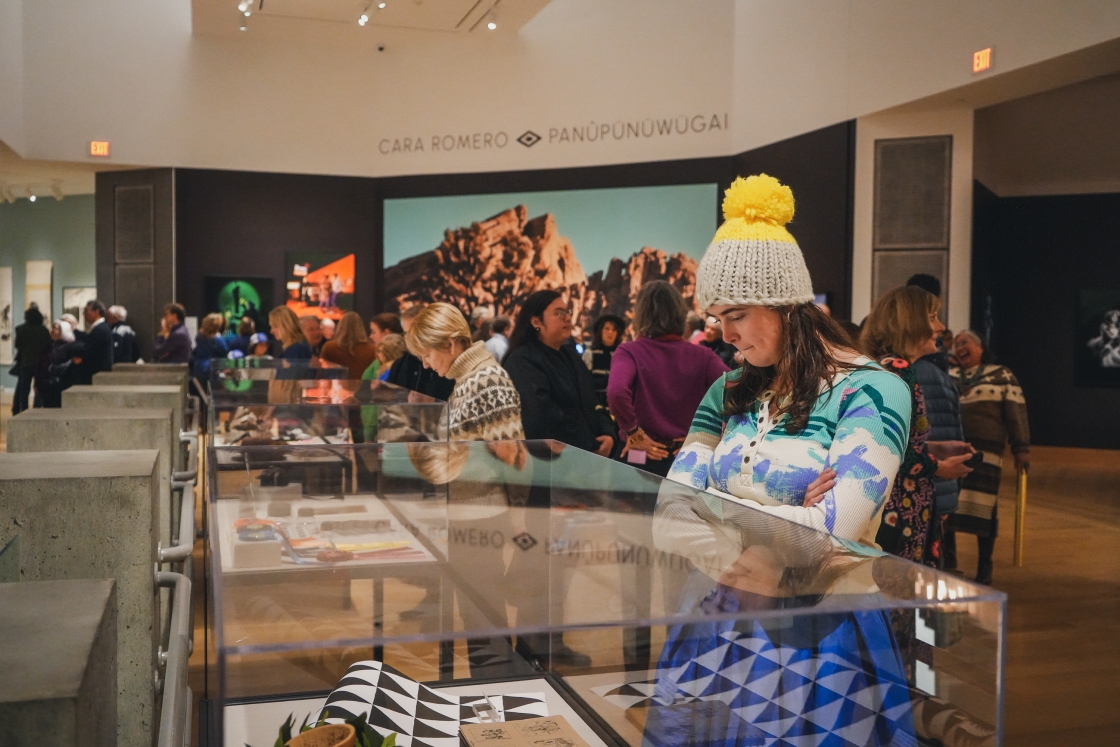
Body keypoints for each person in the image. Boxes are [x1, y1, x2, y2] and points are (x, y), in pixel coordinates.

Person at [660, 175, 920, 742]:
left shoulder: (872, 391)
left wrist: (721, 507)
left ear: (784, 304)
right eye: (717, 319)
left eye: (736, 315)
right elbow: (670, 511)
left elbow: (839, 530)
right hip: (717, 615)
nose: (726, 335)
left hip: (821, 633)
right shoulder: (727, 392)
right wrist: (775, 537)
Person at [860, 286, 977, 566]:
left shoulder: (886, 368)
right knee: (901, 590)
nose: (941, 326)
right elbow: (891, 451)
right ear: (911, 322)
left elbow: (899, 440)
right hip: (901, 508)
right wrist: (940, 467)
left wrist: (938, 447)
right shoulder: (898, 371)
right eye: (933, 317)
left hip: (896, 504)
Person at [607, 282, 728, 477]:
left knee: (628, 507)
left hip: (639, 453)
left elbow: (616, 392)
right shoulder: (703, 356)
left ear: (641, 314)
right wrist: (707, 438)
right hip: (685, 457)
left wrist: (634, 432)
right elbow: (735, 393)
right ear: (680, 313)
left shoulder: (629, 351)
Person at [946, 330, 1031, 584]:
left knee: (984, 509)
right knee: (949, 507)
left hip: (987, 455)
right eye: (957, 344)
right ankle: (950, 563)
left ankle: (985, 565)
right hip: (953, 451)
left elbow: (1016, 412)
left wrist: (1021, 448)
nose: (960, 347)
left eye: (966, 343)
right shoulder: (947, 375)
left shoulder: (1002, 375)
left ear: (981, 347)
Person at [504, 289, 615, 457]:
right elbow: (542, 416)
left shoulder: (572, 356)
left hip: (585, 460)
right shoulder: (522, 360)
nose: (568, 317)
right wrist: (590, 443)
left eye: (567, 311)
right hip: (551, 465)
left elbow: (593, 403)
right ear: (536, 322)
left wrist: (608, 434)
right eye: (559, 313)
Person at [405, 302, 524, 441]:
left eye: (427, 355)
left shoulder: (488, 381)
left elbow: (509, 456)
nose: (425, 365)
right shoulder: (467, 379)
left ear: (449, 345)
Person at [386, 306, 455, 399]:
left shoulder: (445, 362)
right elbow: (391, 398)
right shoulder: (400, 364)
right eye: (406, 333)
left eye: (414, 333)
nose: (408, 338)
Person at [12, 305, 51, 414]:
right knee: (38, 388)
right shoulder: (43, 330)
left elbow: (17, 345)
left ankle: (21, 409)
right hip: (40, 363)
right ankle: (36, 410)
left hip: (25, 362)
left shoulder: (21, 329)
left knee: (23, 389)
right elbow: (48, 346)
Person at [581, 314, 624, 409]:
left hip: (617, 407)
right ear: (600, 331)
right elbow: (584, 383)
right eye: (607, 329)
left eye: (614, 330)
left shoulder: (622, 355)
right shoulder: (590, 354)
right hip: (595, 406)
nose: (610, 333)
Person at [321, 311, 379, 379]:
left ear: (340, 326)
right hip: (363, 388)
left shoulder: (329, 347)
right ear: (361, 327)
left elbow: (322, 372)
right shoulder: (372, 349)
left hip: (337, 388)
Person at [40, 320, 81, 407]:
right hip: (49, 382)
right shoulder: (51, 345)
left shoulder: (70, 346)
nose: (52, 331)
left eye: (55, 328)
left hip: (62, 381)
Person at [75, 299, 114, 385]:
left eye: (86, 311)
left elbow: (89, 350)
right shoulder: (100, 327)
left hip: (97, 373)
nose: (84, 314)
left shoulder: (100, 329)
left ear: (97, 311)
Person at [191, 313, 229, 379]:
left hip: (198, 367)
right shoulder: (218, 340)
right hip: (213, 369)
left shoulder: (199, 336)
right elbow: (224, 355)